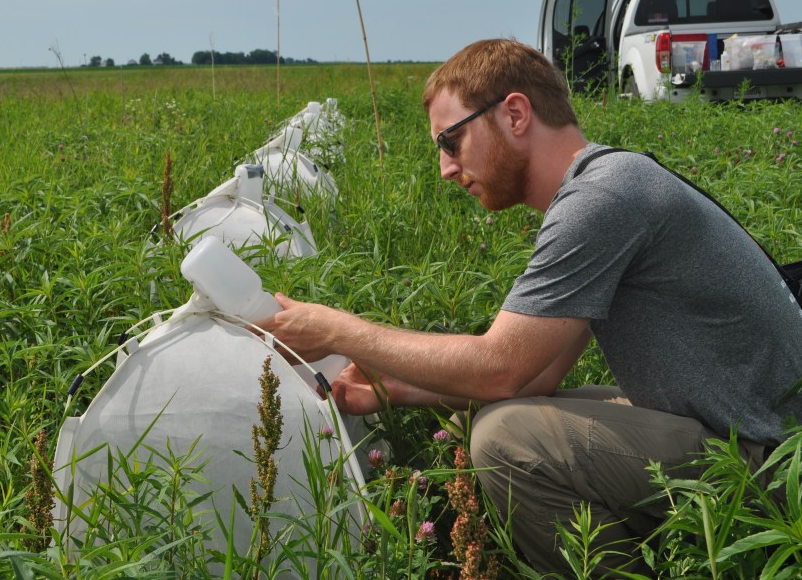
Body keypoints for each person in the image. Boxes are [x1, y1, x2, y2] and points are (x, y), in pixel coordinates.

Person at [255, 38, 802, 575]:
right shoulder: (606, 184)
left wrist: (335, 329)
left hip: (771, 464)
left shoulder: (603, 197)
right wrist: (398, 389)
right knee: (501, 412)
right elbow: (532, 378)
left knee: (506, 438)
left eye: (450, 140)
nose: (446, 167)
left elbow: (500, 368)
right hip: (746, 436)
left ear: (515, 113)